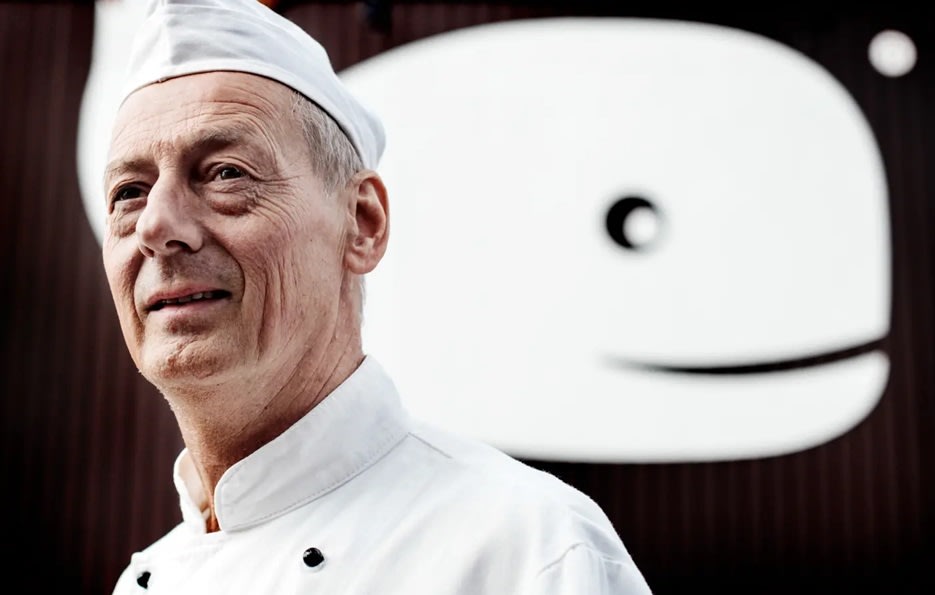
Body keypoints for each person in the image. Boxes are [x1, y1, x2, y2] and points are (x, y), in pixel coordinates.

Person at [101, 0, 653, 593]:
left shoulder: (527, 548)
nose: (156, 225)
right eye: (130, 192)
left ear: (362, 223)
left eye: (225, 173)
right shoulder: (143, 581)